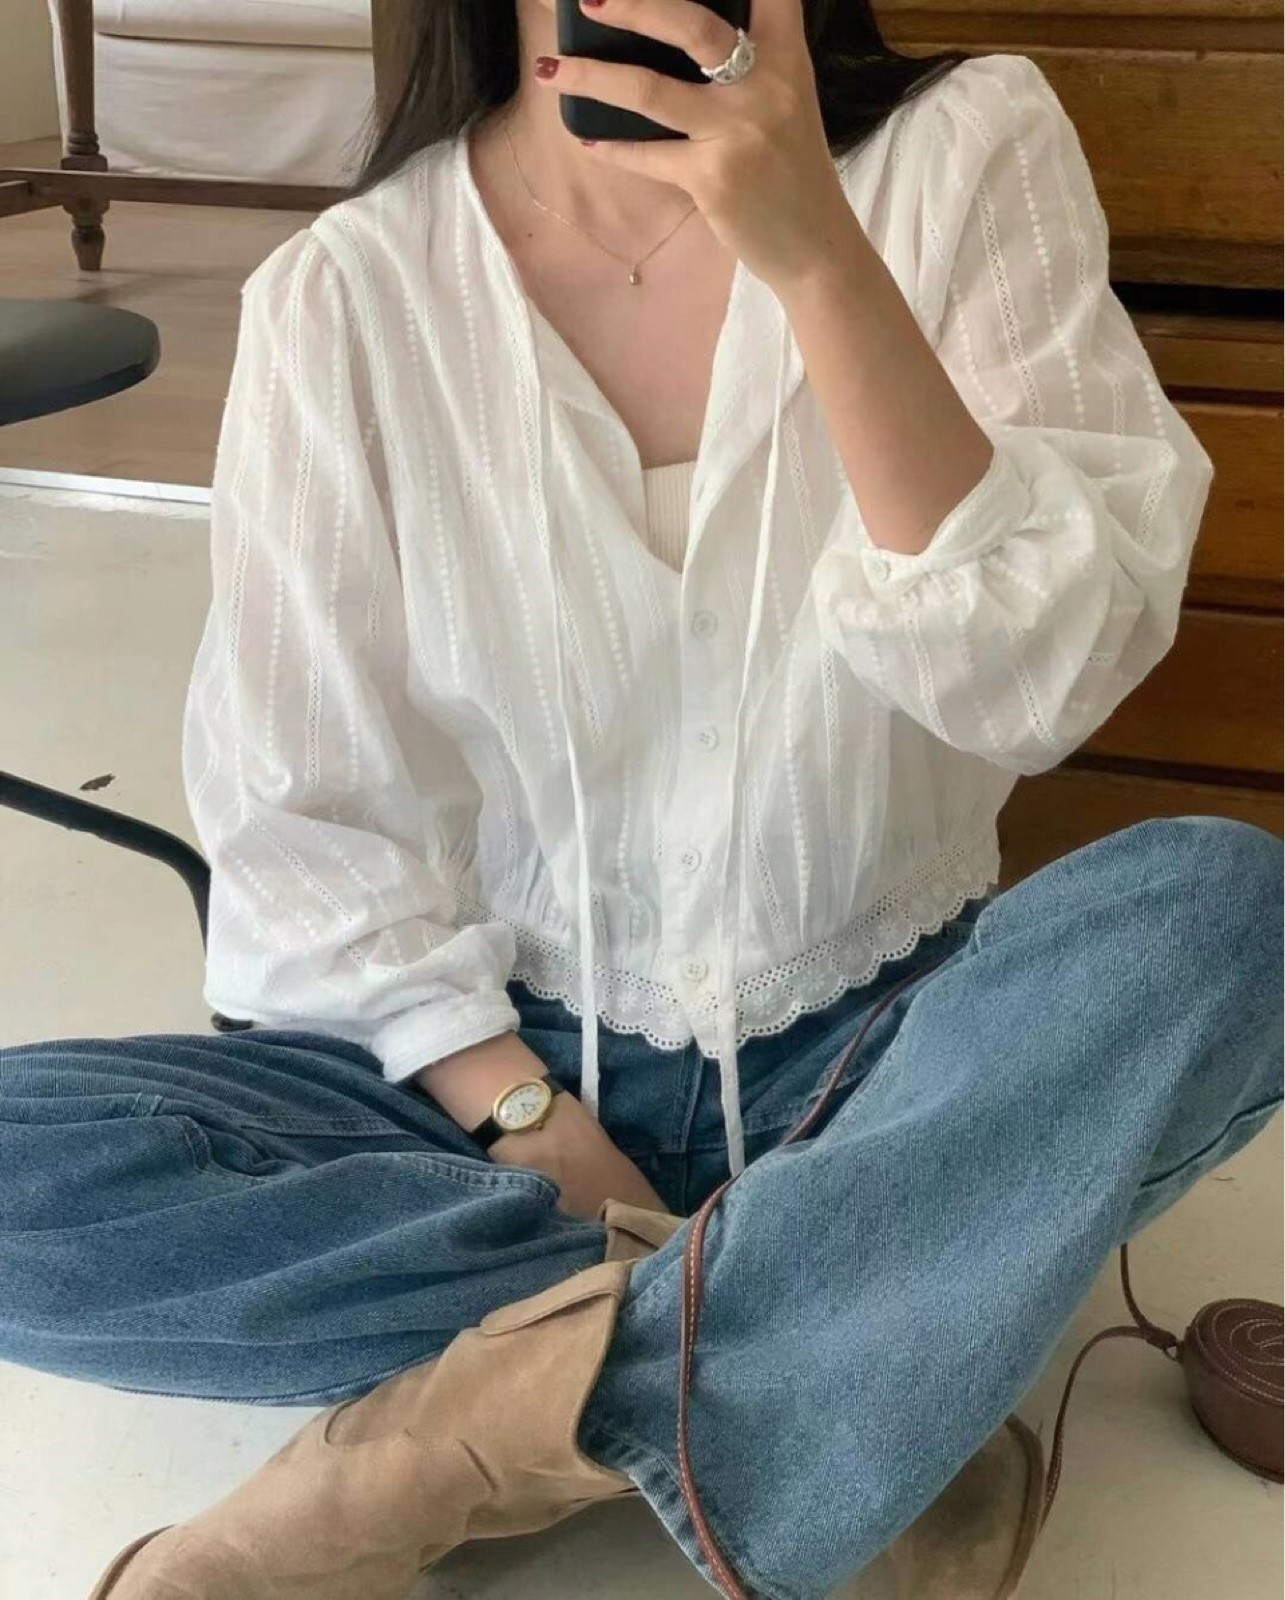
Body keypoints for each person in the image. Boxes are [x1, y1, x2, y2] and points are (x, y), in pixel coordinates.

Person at [1, 2, 1280, 1598]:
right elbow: (304, 814)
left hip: (877, 1058)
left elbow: (1036, 682)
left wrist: (819, 259)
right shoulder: (347, 292)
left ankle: (432, 1459)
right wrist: (527, 1119)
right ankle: (855, 1360)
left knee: (1228, 916)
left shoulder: (964, 149)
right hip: (484, 1084)